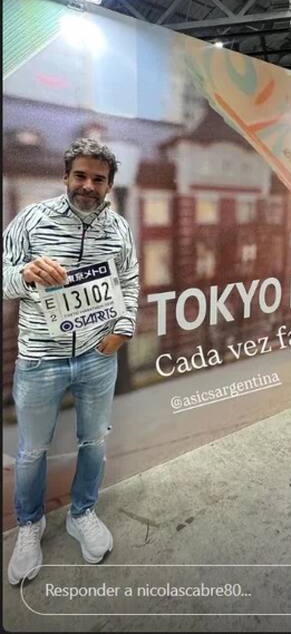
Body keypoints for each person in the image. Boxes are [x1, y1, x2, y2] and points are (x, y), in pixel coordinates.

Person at [3, 138, 139, 585]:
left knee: (93, 442)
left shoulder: (119, 229)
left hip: (99, 357)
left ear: (108, 185)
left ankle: (82, 514)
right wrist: (23, 275)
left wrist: (123, 328)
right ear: (65, 176)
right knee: (31, 451)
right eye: (80, 175)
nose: (88, 185)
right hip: (41, 359)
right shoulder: (31, 220)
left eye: (98, 179)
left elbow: (131, 280)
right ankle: (30, 525)